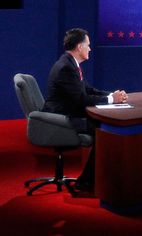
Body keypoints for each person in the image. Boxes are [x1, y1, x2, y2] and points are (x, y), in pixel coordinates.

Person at [42, 28, 128, 192]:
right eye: (88, 45)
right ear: (79, 47)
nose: (90, 48)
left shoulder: (70, 63)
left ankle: (91, 179)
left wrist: (112, 95)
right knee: (104, 131)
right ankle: (87, 182)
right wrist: (111, 100)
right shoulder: (66, 68)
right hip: (61, 119)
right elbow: (82, 100)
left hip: (69, 112)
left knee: (103, 128)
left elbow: (88, 90)